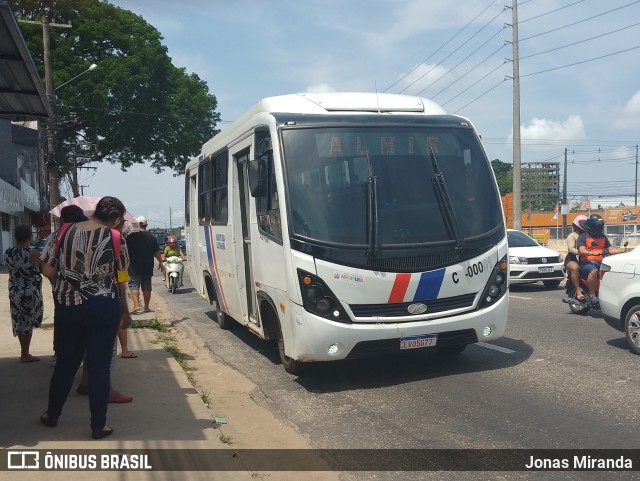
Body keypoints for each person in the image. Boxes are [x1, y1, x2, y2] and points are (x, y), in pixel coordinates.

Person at [38, 196, 132, 439]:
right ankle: (98, 426)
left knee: (66, 365)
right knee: (99, 368)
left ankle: (52, 415)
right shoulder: (115, 237)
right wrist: (124, 310)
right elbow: (121, 275)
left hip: (69, 306)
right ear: (116, 218)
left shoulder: (64, 231)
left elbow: (47, 269)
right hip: (103, 308)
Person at [4, 225, 43, 363]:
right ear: (29, 237)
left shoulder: (8, 252)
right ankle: (25, 353)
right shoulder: (33, 252)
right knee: (28, 321)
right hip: (30, 291)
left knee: (19, 320)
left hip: (15, 290)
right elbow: (41, 268)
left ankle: (24, 351)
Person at [577, 214, 625, 305]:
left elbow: (610, 249)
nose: (598, 228)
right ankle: (592, 294)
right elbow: (581, 250)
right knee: (594, 270)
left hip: (602, 262)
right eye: (596, 226)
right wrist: (592, 253)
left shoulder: (602, 236)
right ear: (591, 226)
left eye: (599, 227)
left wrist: (623, 251)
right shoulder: (583, 236)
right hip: (586, 263)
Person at [126, 216, 164, 314]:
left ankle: (136, 305)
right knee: (146, 286)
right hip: (147, 266)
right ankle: (146, 307)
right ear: (146, 225)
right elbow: (156, 252)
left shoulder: (130, 236)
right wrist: (160, 262)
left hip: (133, 266)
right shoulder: (151, 237)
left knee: (134, 285)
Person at [565, 214, 588, 301]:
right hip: (572, 259)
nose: (585, 225)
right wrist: (582, 252)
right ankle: (578, 291)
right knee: (575, 268)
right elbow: (571, 249)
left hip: (585, 258)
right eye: (583, 223)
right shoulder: (572, 236)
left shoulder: (587, 235)